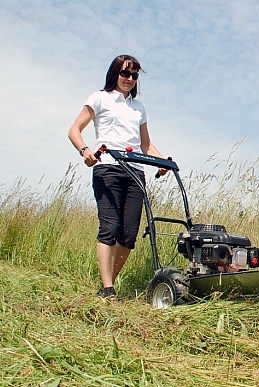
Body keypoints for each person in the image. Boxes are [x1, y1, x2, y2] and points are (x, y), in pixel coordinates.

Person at [68, 54, 167, 301]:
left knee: (128, 235)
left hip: (135, 172)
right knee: (109, 227)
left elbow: (145, 144)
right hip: (108, 168)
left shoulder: (138, 108)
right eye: (125, 73)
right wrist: (85, 151)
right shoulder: (100, 98)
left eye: (134, 75)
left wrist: (163, 161)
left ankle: (107, 283)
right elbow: (74, 130)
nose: (130, 79)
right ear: (115, 73)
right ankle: (108, 289)